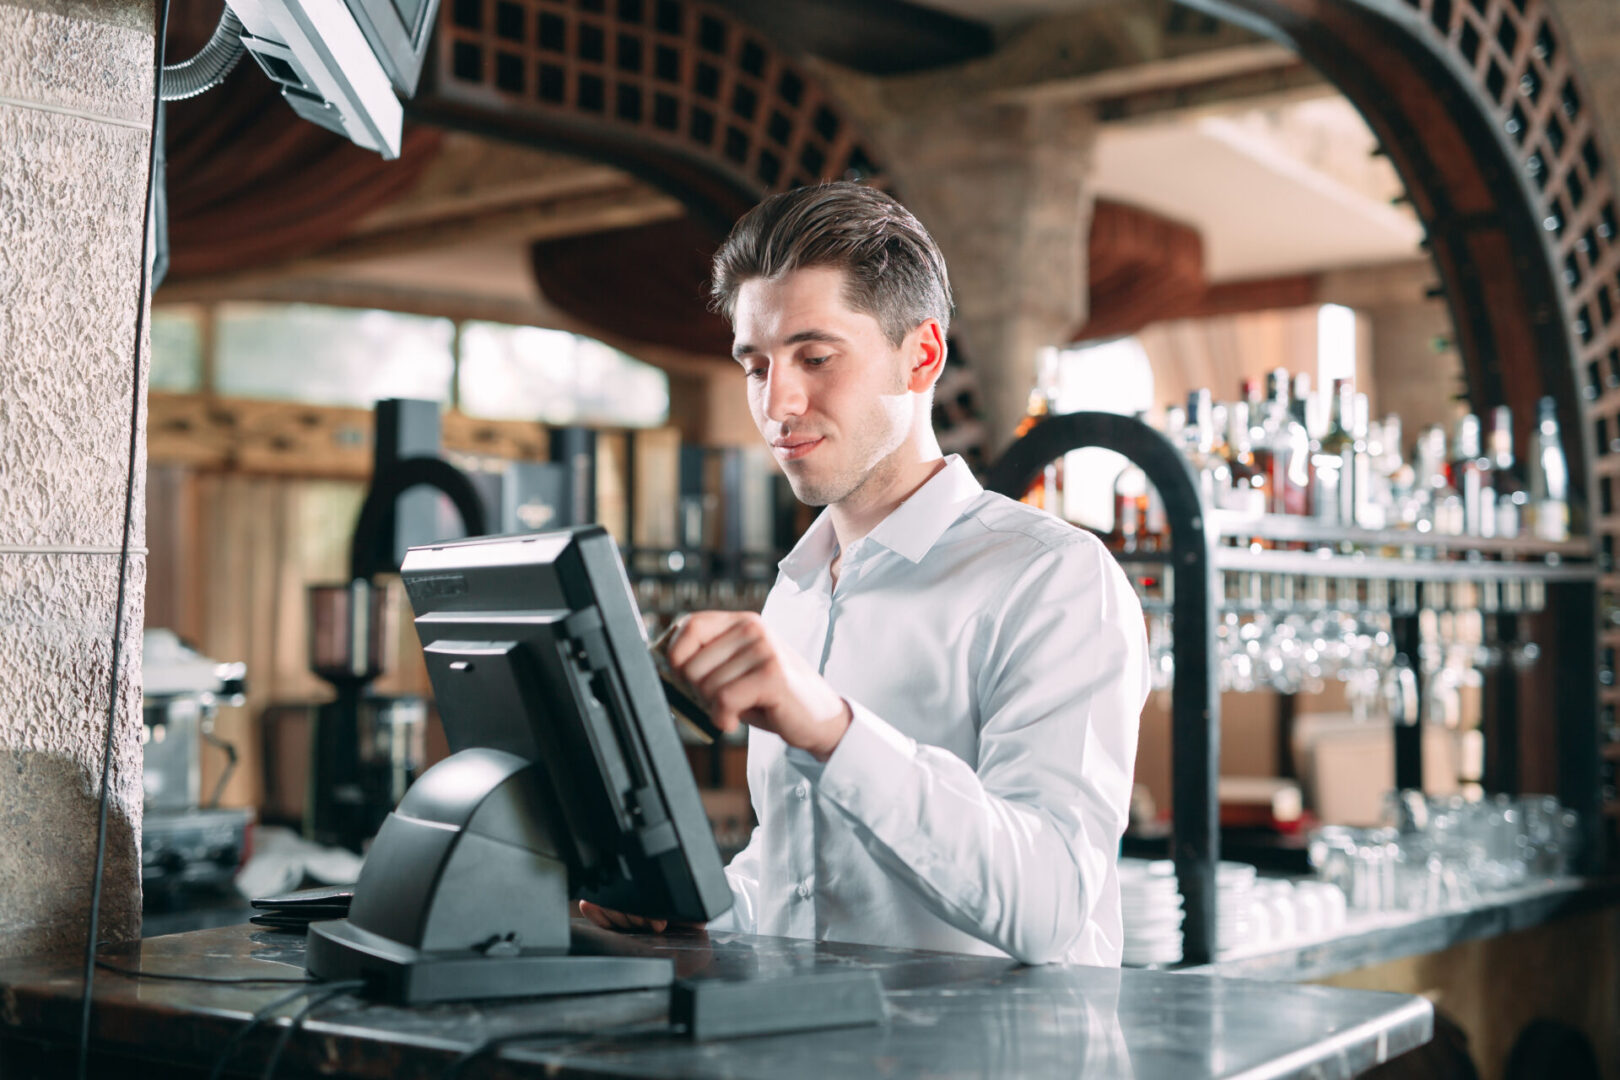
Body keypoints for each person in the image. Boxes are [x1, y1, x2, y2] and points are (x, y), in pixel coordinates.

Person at [580, 181, 1148, 966]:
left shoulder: (1054, 579)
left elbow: (1050, 906)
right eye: (756, 365)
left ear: (921, 357)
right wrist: (705, 910)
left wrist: (831, 727)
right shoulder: (796, 592)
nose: (778, 403)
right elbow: (804, 885)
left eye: (815, 357)